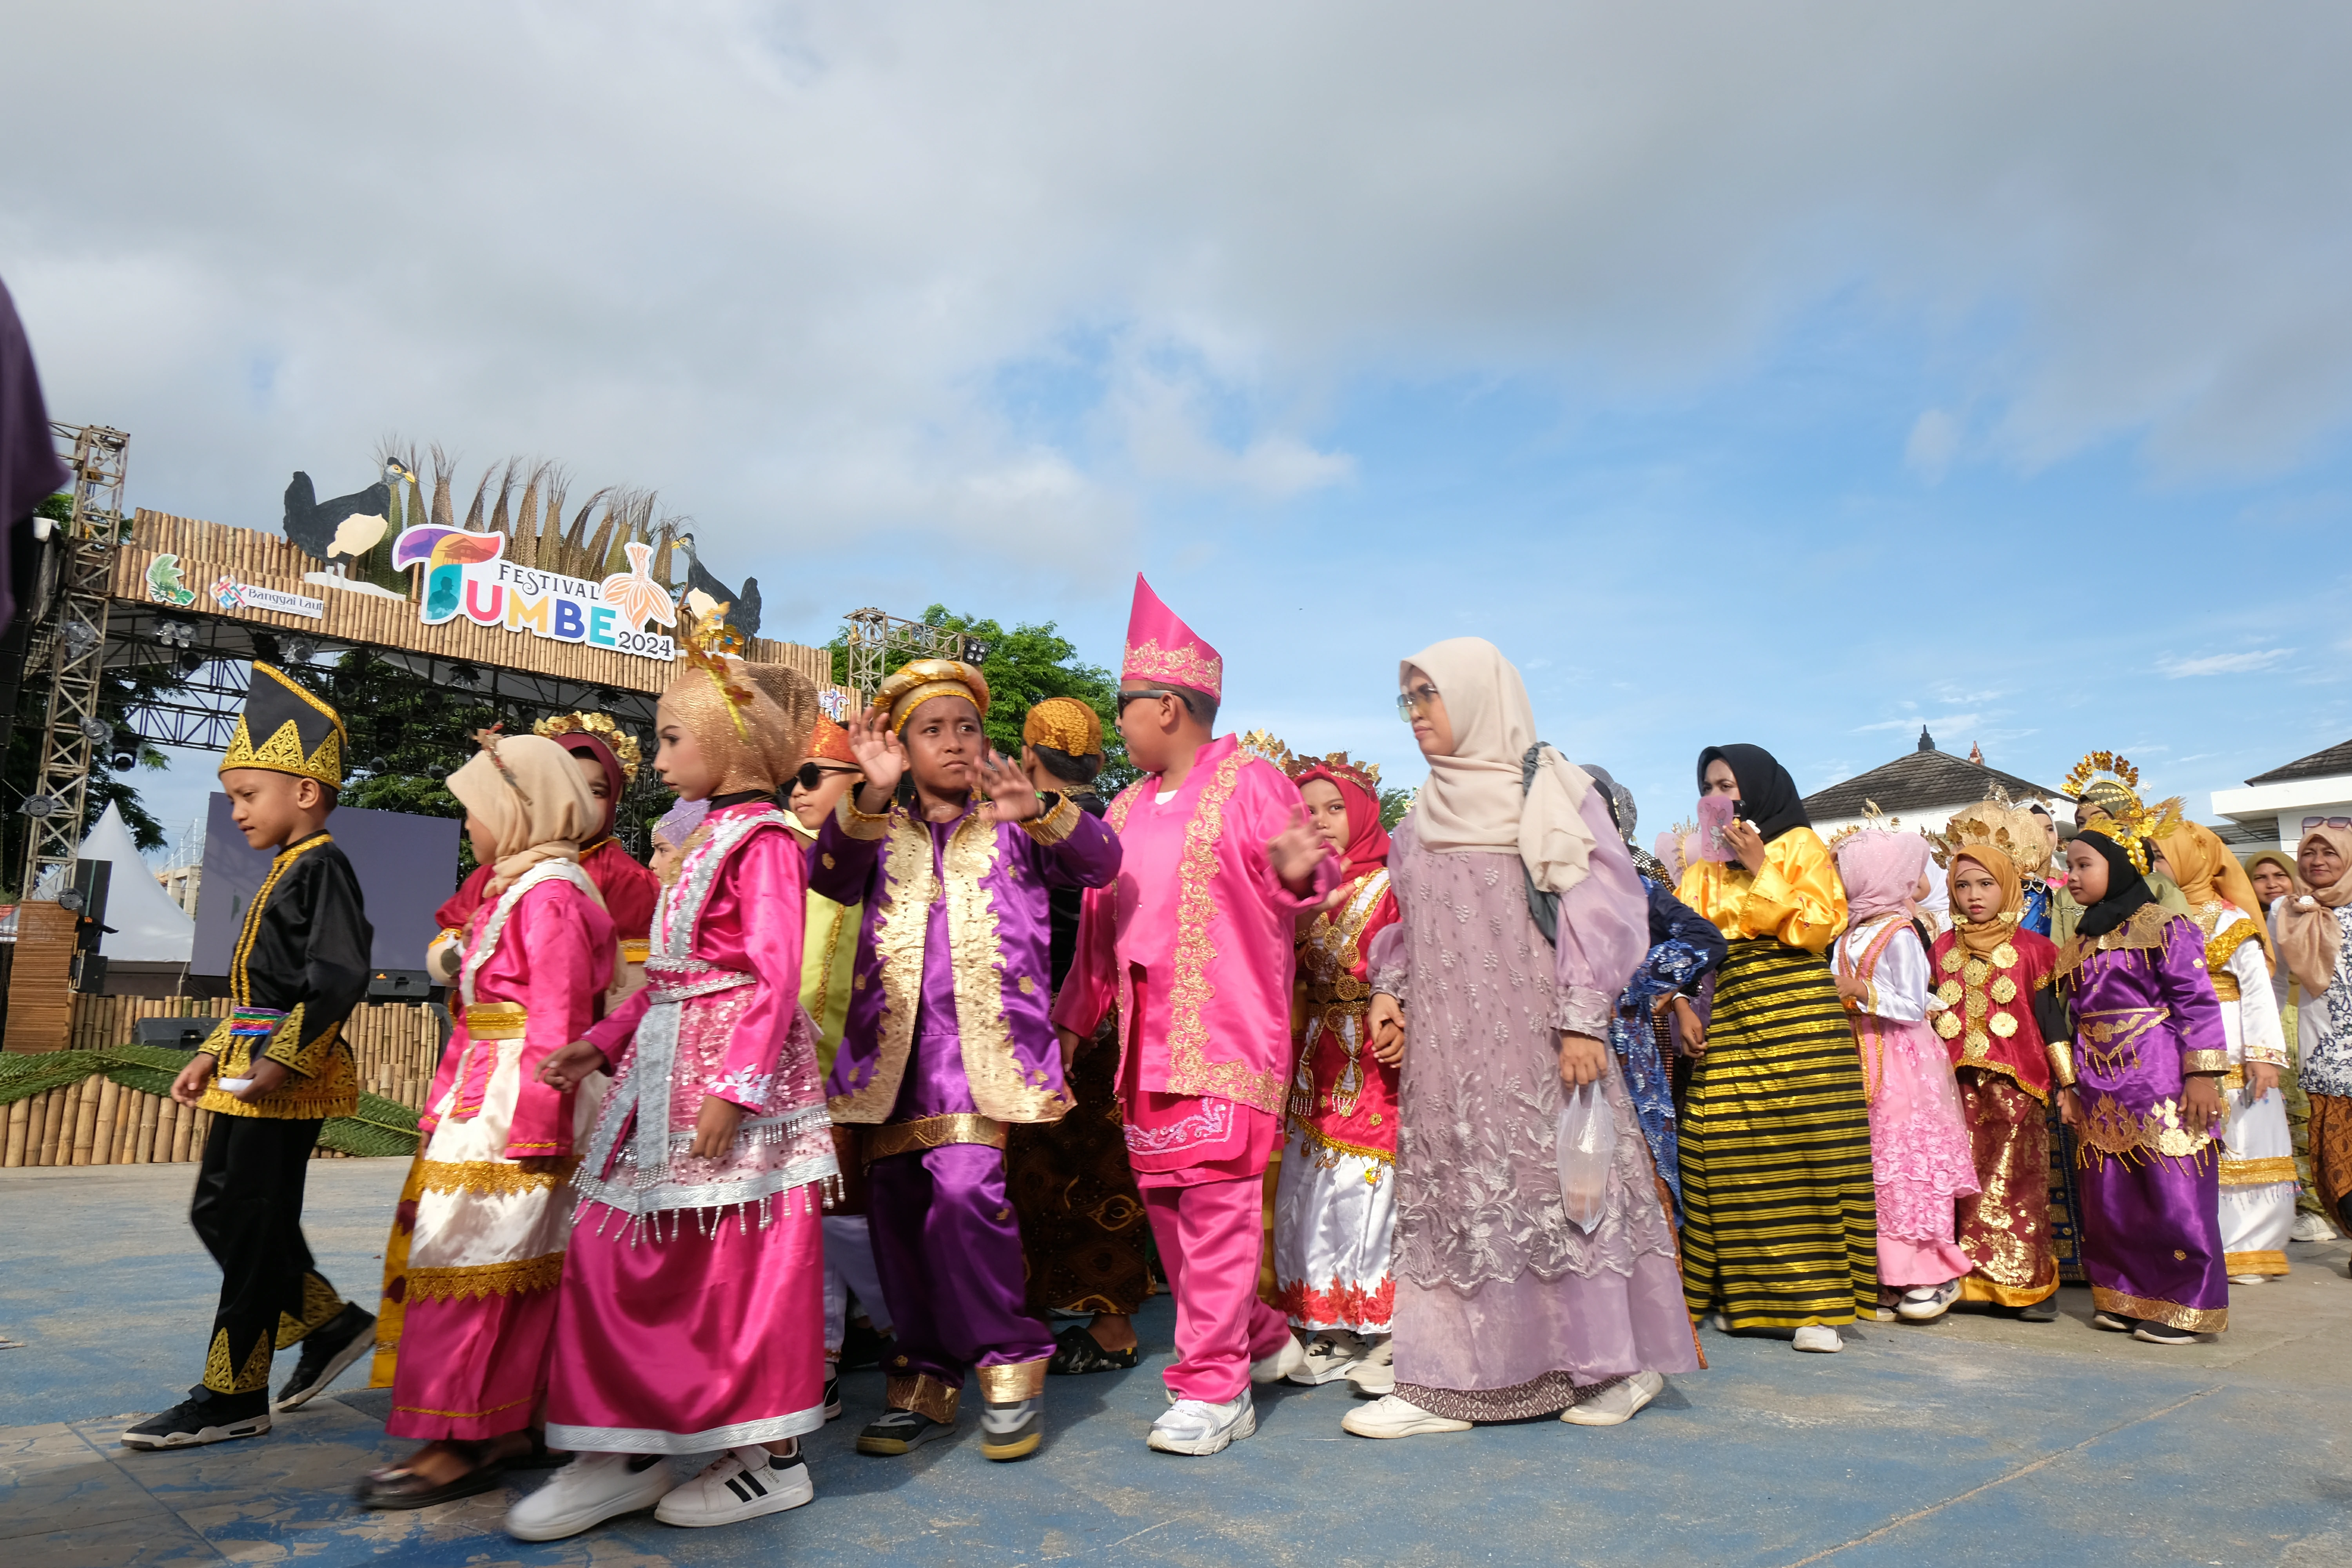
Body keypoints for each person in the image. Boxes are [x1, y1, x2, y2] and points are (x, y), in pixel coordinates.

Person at [506, 637, 837, 1538]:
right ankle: (619, 1446)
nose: (654, 759)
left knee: (739, 1263)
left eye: (667, 737)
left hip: (732, 1082)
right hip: (658, 1073)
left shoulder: (765, 840)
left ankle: (766, 1458)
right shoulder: (703, 838)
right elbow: (669, 974)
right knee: (614, 1250)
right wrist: (599, 1040)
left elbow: (774, 974)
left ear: (726, 742)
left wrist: (737, 1086)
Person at [1341, 643, 1695, 1439]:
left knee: (1562, 1197)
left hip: (1539, 1042)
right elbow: (1405, 920)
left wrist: (1581, 1017)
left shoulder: (1556, 795)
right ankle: (1460, 1377)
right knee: (1462, 1200)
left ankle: (1615, 1363)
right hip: (1449, 1053)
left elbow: (1602, 911)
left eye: (1430, 694)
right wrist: (1388, 991)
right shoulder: (1418, 819)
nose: (1419, 714)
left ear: (1479, 695)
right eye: (1410, 700)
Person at [1052, 575, 1340, 1456]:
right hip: (1145, 1046)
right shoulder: (1125, 807)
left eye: (1126, 707)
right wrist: (1069, 1029)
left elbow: (1311, 882)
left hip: (1227, 1035)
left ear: (1168, 707)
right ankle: (1259, 1337)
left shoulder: (1252, 780)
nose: (1119, 723)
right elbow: (1098, 931)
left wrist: (1300, 869)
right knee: (1171, 1214)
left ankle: (1215, 1387)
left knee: (1215, 1211)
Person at [816, 659, 1122, 1463]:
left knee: (962, 1196)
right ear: (902, 748)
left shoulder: (1015, 818)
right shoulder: (875, 824)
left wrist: (1047, 809)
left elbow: (1102, 866)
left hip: (984, 1057)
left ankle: (1011, 1360)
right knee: (899, 1219)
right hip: (888, 1062)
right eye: (933, 730)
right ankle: (922, 1381)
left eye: (967, 727)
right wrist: (871, 796)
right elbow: (828, 877)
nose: (955, 742)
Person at [358, 732, 615, 1508]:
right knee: (497, 1266)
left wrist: (539, 1125)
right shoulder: (520, 886)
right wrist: (444, 1106)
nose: (468, 826)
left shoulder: (552, 895)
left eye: (476, 810)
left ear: (519, 807)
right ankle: (503, 1424)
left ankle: (460, 1439)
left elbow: (558, 1016)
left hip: (518, 1102)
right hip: (491, 1094)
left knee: (471, 1262)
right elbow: (477, 1017)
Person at [122, 665, 376, 1449]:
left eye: (247, 795)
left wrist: (285, 1058)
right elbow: (256, 989)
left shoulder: (323, 864)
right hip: (249, 1060)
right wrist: (211, 1050)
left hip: (282, 1074)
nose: (234, 812)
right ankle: (330, 1322)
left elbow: (337, 975)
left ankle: (235, 1391)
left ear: (305, 791)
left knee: (254, 1220)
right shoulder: (286, 867)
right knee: (221, 1210)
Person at [1675, 745, 1875, 1352]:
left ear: (1757, 787)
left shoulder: (1798, 847)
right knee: (1715, 1141)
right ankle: (1745, 1295)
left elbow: (1819, 927)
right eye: (1710, 786)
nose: (1721, 797)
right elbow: (1684, 942)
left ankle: (1817, 1307)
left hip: (1799, 1014)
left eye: (1730, 784)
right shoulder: (1700, 869)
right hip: (1730, 1009)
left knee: (1809, 1149)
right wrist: (1683, 1004)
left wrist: (1761, 865)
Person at [2051, 764, 2229, 1345]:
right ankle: (2125, 1296)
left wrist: (2202, 1075)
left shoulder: (2164, 925)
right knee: (2111, 1201)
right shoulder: (2079, 942)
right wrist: (2068, 1085)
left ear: (2120, 866)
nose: (2072, 877)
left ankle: (2182, 1304)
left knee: (2173, 1195)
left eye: (2084, 866)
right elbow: (2063, 1015)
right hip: (2100, 1087)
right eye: (2070, 866)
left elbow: (2196, 1001)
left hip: (2160, 1081)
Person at [1002, 697, 1153, 1377]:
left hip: (1054, 1022)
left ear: (1029, 756)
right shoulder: (1112, 816)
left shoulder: (1045, 824)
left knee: (1071, 1172)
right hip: (1103, 1015)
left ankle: (1111, 1324)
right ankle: (1085, 1314)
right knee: (1082, 1170)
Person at [1268, 750, 1403, 1390]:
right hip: (1314, 1059)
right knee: (1310, 1192)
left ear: (1364, 812)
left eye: (1333, 808)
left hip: (1380, 1060)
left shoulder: (1398, 884)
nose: (1320, 820)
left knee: (1368, 1191)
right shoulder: (1302, 889)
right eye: (1307, 810)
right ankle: (1330, 1328)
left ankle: (1388, 1330)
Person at [775, 710, 895, 1415]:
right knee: (811, 1218)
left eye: (815, 777)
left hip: (865, 1066)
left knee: (848, 1219)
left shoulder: (889, 849)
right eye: (795, 778)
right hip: (792, 1067)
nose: (798, 791)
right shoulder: (780, 853)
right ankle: (815, 1364)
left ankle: (907, 1333)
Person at [1830, 826, 1979, 1323]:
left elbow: (1915, 1004)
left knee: (1908, 1161)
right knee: (1874, 1164)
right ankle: (1887, 1273)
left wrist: (1861, 991)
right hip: (1860, 1052)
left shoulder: (1900, 931)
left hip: (1902, 1057)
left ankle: (1932, 1272)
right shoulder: (1850, 930)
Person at [428, 711, 659, 1016]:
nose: (578, 801)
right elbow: (442, 963)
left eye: (596, 792)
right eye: (565, 787)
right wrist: (465, 950)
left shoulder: (627, 879)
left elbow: (628, 997)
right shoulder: (496, 871)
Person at [1583, 764, 1723, 1223]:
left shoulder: (1631, 878)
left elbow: (1704, 937)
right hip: (1551, 1059)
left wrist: (1634, 981)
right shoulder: (1529, 888)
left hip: (1627, 1051)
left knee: (1637, 1178)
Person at [1929, 841, 2062, 1320]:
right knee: (1958, 1184)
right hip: (1952, 1086)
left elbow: (2051, 1020)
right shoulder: (1942, 948)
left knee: (2015, 1182)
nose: (1974, 895)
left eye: (1986, 883)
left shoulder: (2037, 950)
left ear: (2007, 886)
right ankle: (1961, 1280)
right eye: (1962, 885)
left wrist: (2066, 1082)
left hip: (2018, 1085)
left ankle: (2025, 1286)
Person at [2156, 823, 2292, 1284]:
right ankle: (2204, 1240)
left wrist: (2264, 1055)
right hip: (2184, 1046)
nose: (2154, 867)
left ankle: (2252, 1247)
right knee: (2196, 1143)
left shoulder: (2233, 921)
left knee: (2246, 1142)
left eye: (2162, 857)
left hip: (2235, 1042)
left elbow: (2256, 992)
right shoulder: (2156, 916)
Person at [2248, 848, 2336, 1242]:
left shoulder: (2321, 910)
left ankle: (2323, 1209)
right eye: (2260, 877)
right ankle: (2309, 1207)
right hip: (2275, 1022)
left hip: (2316, 1021)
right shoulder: (2253, 920)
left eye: (2278, 875)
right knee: (2289, 1122)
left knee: (2315, 1118)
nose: (2271, 884)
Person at [2279, 825, 2352, 1237]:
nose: (2318, 861)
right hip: (2325, 1053)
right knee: (2334, 1165)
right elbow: (2276, 979)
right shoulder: (2287, 911)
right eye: (2310, 852)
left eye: (2330, 852)